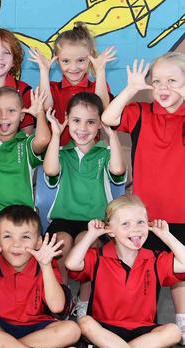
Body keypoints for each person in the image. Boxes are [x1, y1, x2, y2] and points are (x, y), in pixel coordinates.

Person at [101, 53, 185, 342]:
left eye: (173, 81)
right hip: (144, 217)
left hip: (181, 212)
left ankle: (181, 323)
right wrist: (131, 88)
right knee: (147, 272)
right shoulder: (140, 112)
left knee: (179, 271)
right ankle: (142, 327)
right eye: (157, 81)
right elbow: (108, 118)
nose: (164, 88)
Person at [66, 195, 182, 348]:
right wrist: (91, 235)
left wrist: (166, 235)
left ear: (149, 225)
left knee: (174, 332)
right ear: (110, 230)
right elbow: (71, 263)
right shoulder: (98, 257)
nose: (135, 229)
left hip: (142, 331)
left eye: (141, 222)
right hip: (104, 328)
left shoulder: (155, 260)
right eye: (125, 224)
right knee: (84, 323)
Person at [0, 205, 83, 348]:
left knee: (72, 330)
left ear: (39, 242)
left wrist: (46, 266)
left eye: (25, 237)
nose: (16, 244)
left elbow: (57, 307)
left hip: (38, 327)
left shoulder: (45, 264)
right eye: (7, 236)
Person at [44, 92, 125, 317]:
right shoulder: (61, 153)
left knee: (86, 244)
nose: (83, 128)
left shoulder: (105, 153)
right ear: (67, 120)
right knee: (60, 243)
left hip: (96, 220)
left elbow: (118, 171)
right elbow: (50, 171)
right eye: (76, 120)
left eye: (91, 122)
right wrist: (56, 135)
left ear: (99, 123)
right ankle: (62, 296)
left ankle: (84, 300)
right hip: (63, 218)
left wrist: (113, 135)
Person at [0, 86, 50, 253]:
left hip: (20, 214)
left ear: (22, 116)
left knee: (18, 252)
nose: (3, 117)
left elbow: (43, 139)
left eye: (11, 111)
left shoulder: (26, 143)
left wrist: (40, 114)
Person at [29, 22, 116, 146]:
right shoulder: (52, 88)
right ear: (57, 60)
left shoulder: (96, 87)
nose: (73, 67)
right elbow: (45, 108)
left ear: (90, 59)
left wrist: (100, 70)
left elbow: (103, 110)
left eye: (80, 60)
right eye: (66, 61)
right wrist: (44, 71)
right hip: (57, 154)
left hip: (89, 156)